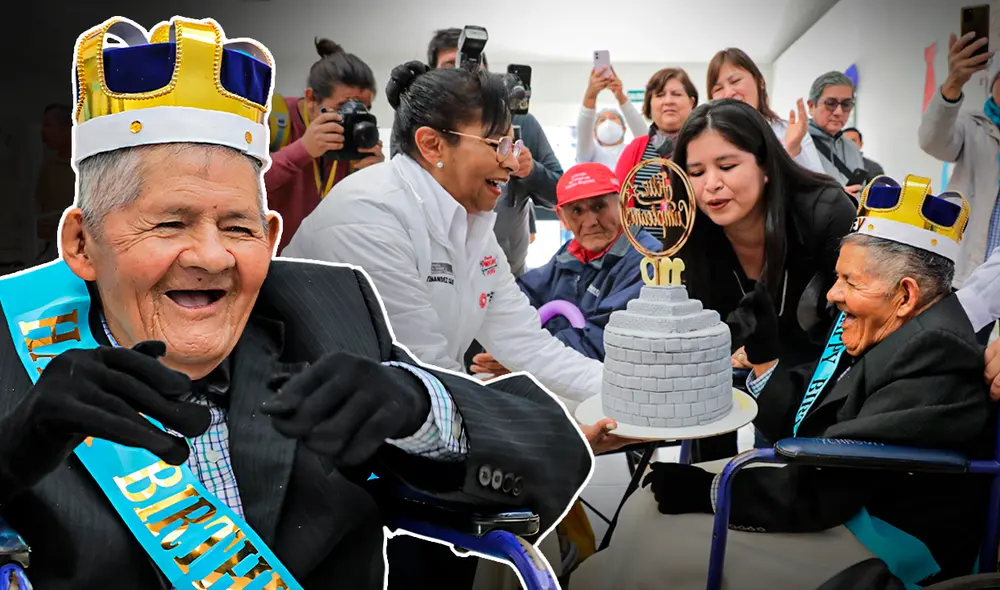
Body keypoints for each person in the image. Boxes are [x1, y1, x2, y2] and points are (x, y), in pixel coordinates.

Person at [0, 17, 592, 589]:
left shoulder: (326, 308)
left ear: (273, 237)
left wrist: (422, 407)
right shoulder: (12, 344)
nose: (212, 258)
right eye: (169, 223)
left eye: (238, 227)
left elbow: (552, 456)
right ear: (81, 243)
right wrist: (10, 458)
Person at [570, 174, 995, 590]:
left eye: (849, 281)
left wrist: (712, 491)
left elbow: (837, 479)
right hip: (832, 493)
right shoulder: (895, 325)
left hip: (886, 537)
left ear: (905, 295)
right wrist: (763, 360)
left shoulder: (936, 350)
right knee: (641, 508)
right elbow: (818, 408)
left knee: (658, 547)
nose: (832, 294)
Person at [286, 60, 603, 412]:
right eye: (498, 144)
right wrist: (563, 436)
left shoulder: (473, 226)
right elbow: (425, 373)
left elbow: (530, 346)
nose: (512, 164)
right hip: (323, 435)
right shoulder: (369, 217)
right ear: (433, 145)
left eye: (513, 147)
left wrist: (629, 396)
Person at [668, 99, 856, 460]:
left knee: (781, 465)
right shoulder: (689, 235)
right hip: (752, 374)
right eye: (696, 171)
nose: (711, 185)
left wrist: (767, 363)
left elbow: (858, 327)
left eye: (727, 166)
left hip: (826, 381)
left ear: (766, 165)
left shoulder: (825, 211)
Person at [420, 27, 563, 279]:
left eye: (470, 65)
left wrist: (531, 171)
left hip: (511, 276)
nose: (461, 73)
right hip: (440, 276)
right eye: (449, 65)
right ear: (432, 74)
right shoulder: (422, 130)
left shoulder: (524, 124)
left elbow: (560, 195)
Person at [504, 163, 658, 362]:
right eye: (577, 211)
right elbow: (523, 296)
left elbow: (605, 339)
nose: (590, 221)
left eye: (599, 206)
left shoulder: (647, 260)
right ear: (562, 217)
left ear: (622, 204)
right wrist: (507, 342)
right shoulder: (570, 252)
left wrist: (525, 356)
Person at [263, 38, 384, 253]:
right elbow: (243, 187)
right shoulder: (271, 121)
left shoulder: (355, 134)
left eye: (364, 107)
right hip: (268, 261)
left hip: (323, 263)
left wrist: (374, 178)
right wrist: (303, 150)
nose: (353, 115)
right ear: (311, 99)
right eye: (342, 106)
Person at [918, 31, 1000, 303]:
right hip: (967, 274)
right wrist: (954, 83)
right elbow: (932, 142)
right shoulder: (972, 124)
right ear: (993, 82)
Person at [706, 47, 825, 174]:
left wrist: (793, 149)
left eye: (735, 81)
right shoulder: (708, 141)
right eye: (718, 89)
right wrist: (788, 153)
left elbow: (819, 185)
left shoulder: (788, 131)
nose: (729, 93)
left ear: (760, 82)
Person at [614, 67, 698, 239]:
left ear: (692, 102)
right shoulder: (635, 150)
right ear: (649, 105)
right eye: (660, 95)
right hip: (643, 258)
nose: (668, 101)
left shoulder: (704, 146)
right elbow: (616, 205)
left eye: (676, 94)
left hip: (697, 252)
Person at [807, 71, 867, 199]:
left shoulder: (852, 147)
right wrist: (836, 199)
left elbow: (860, 192)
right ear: (812, 106)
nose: (839, 112)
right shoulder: (797, 144)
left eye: (846, 104)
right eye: (830, 103)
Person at [576, 65, 648, 169]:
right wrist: (590, 96)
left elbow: (644, 136)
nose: (608, 122)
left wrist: (620, 96)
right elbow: (583, 129)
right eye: (602, 120)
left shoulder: (634, 152)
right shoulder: (588, 155)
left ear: (624, 128)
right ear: (594, 134)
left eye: (613, 118)